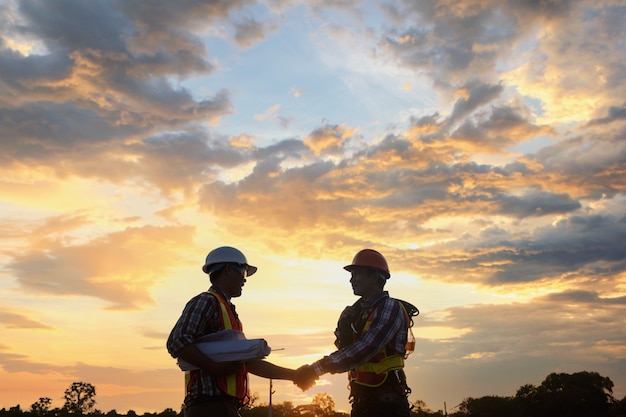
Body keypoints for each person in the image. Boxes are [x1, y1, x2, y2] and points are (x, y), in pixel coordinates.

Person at [167, 246, 317, 417]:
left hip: (224, 407)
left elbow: (248, 363)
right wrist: (214, 367)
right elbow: (177, 341)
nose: (245, 280)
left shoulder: (229, 313)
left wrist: (295, 375)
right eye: (243, 273)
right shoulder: (206, 301)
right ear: (229, 270)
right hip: (209, 407)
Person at [296, 249, 415, 417]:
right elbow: (346, 350)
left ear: (374, 277)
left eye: (357, 274)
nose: (351, 280)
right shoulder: (357, 312)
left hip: (387, 403)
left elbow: (367, 347)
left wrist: (316, 369)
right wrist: (343, 333)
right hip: (363, 398)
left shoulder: (390, 307)